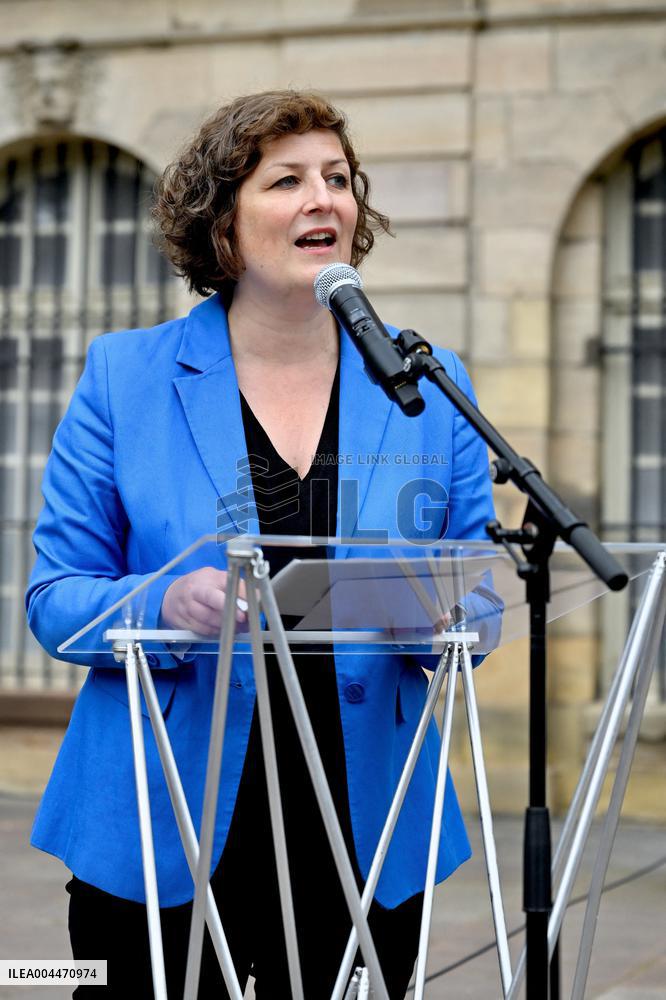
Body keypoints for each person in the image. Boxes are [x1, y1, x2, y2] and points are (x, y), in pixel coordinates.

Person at [26, 91, 498, 998]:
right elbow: (56, 599)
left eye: (338, 178)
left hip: (365, 818)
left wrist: (451, 617)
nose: (324, 198)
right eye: (287, 180)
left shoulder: (426, 385)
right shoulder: (126, 377)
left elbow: (474, 588)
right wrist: (163, 603)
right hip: (160, 823)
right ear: (225, 230)